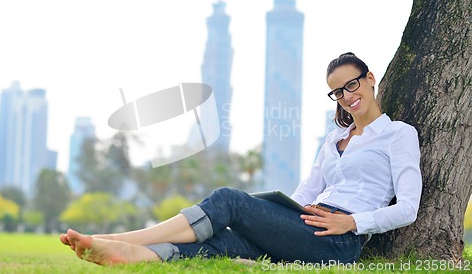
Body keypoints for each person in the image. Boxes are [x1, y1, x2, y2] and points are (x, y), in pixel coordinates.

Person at [60, 52, 422, 265]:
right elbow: (305, 191)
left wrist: (352, 223)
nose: (346, 96)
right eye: (337, 92)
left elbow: (408, 208)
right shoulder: (334, 140)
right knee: (224, 241)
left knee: (227, 200)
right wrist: (274, 216)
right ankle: (130, 256)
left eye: (352, 85)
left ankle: (125, 238)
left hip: (339, 242)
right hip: (304, 227)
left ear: (370, 79)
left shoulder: (399, 135)